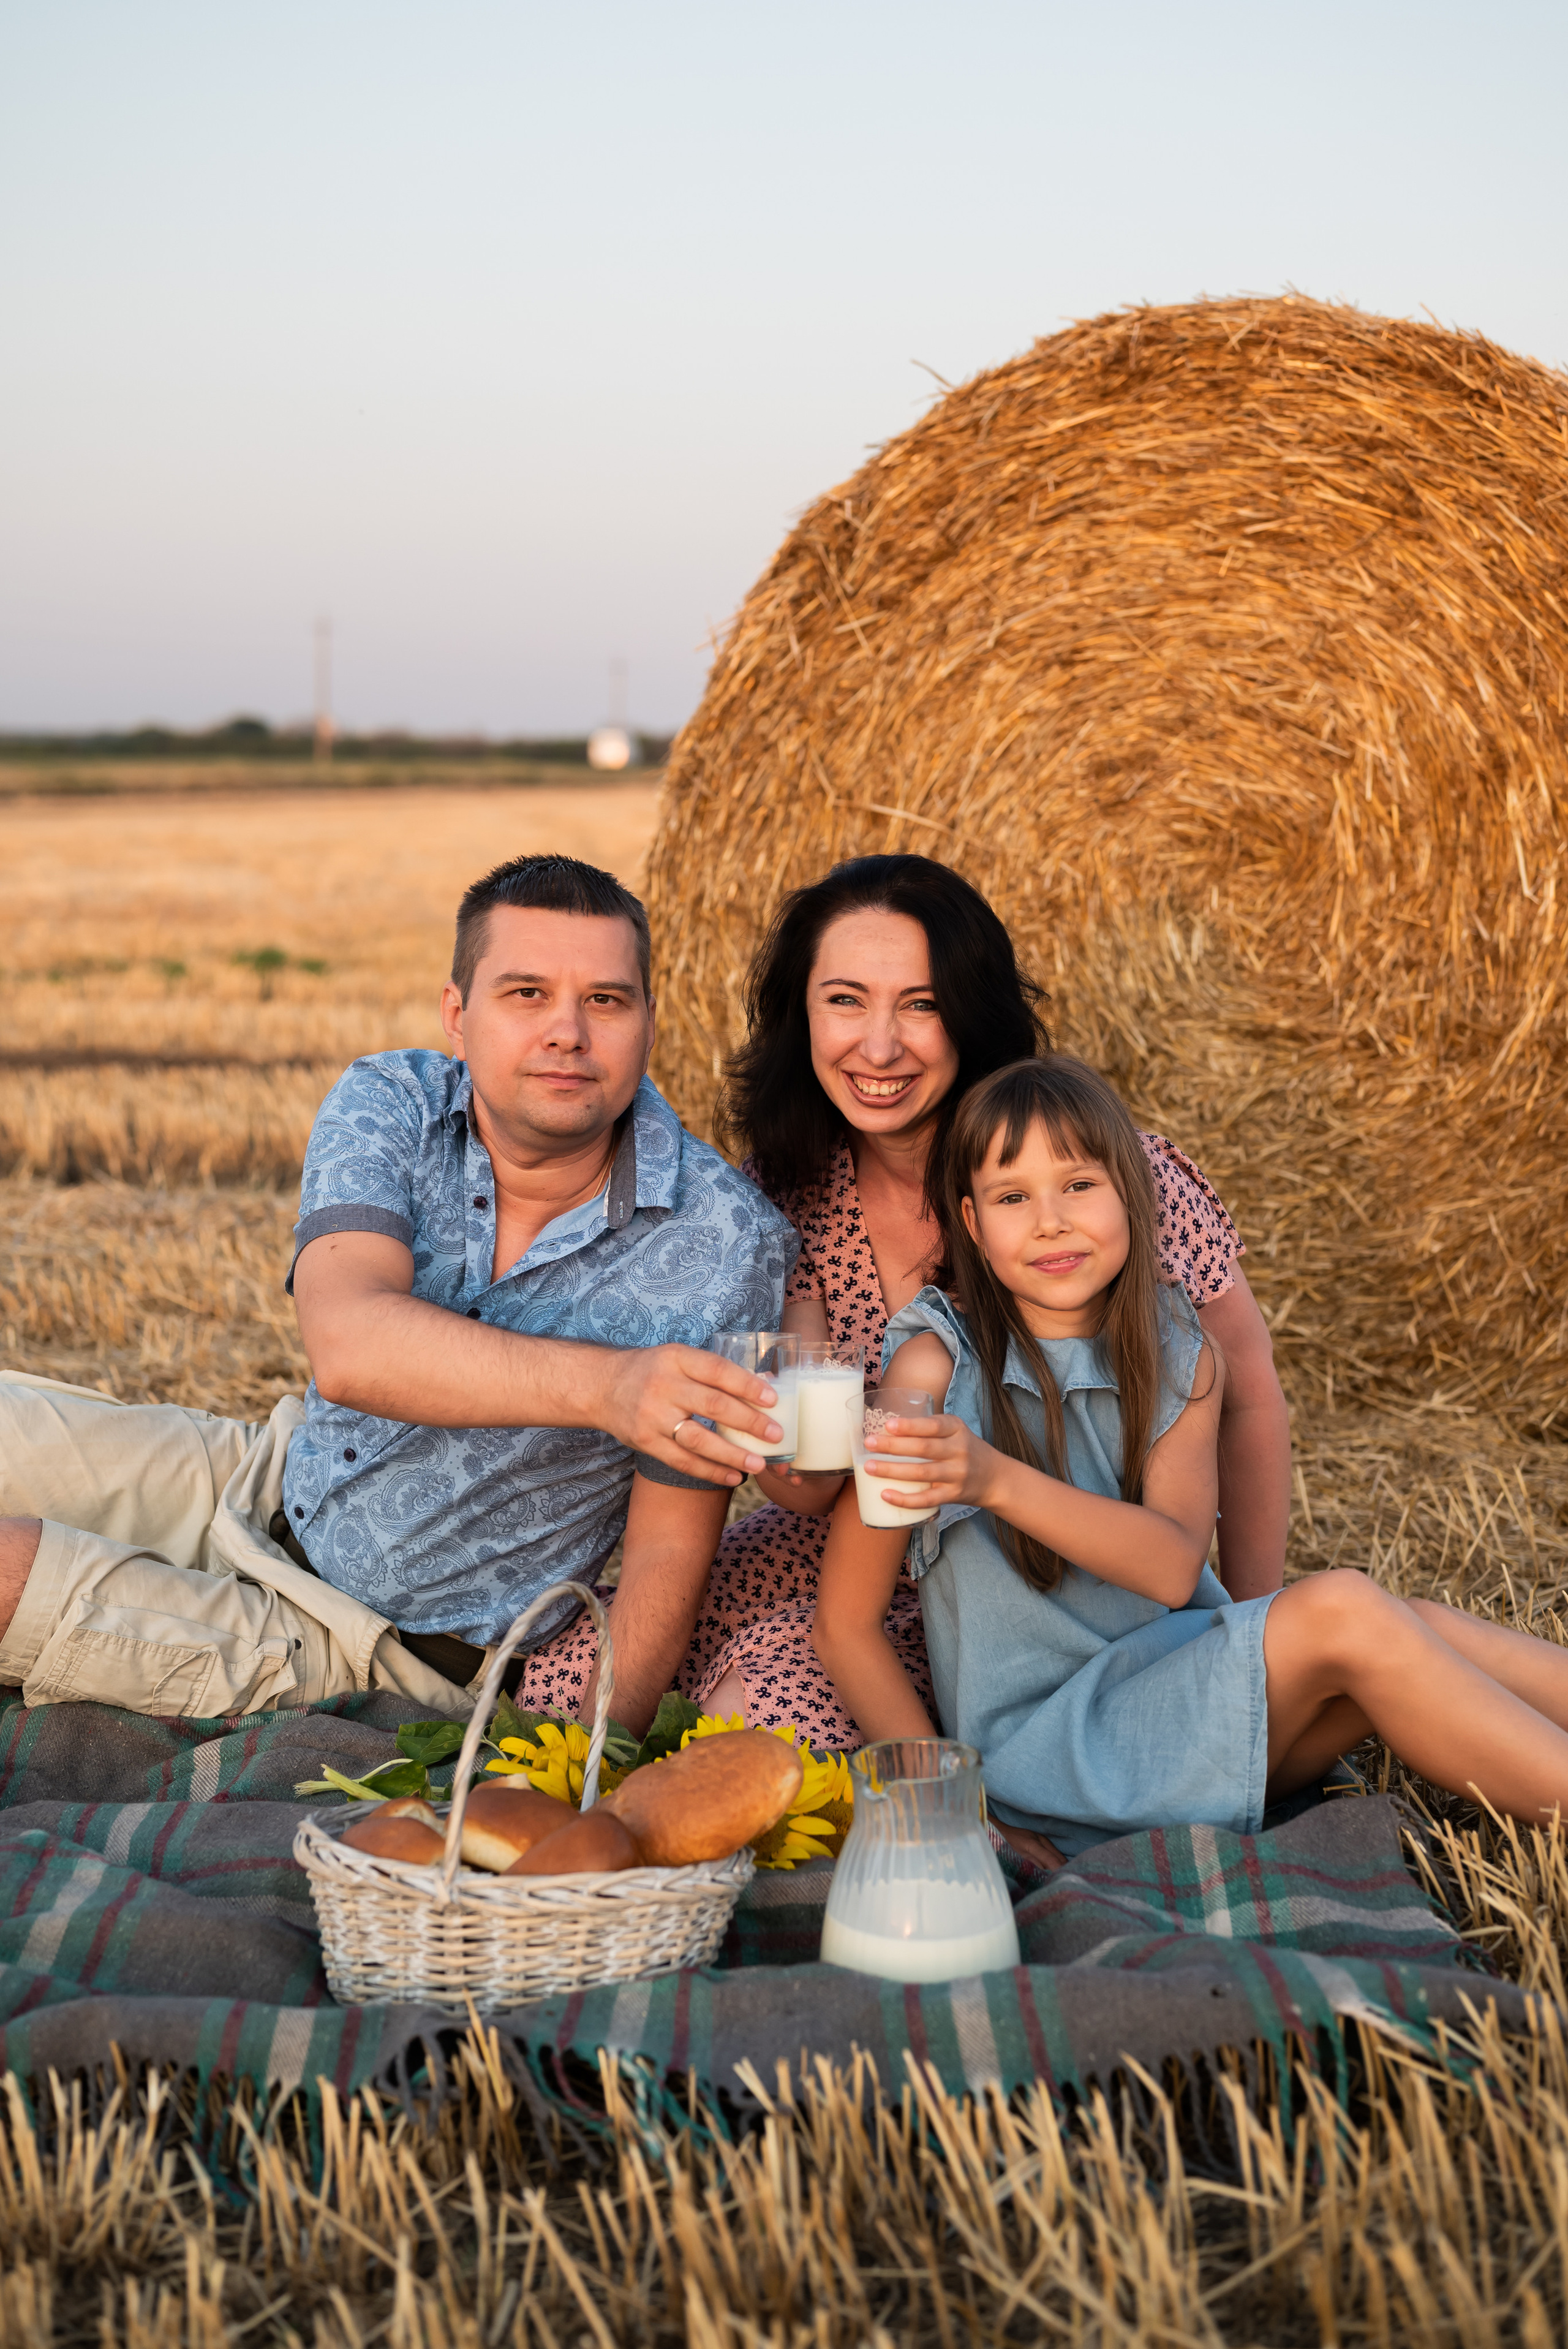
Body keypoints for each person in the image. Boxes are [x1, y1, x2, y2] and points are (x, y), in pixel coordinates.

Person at [0, 855, 794, 1734]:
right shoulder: (392, 1100)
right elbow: (348, 1346)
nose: (568, 1031)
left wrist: (585, 1770)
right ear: (457, 1015)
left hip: (379, 1645)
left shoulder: (726, 1238)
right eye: (526, 993)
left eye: (605, 1000)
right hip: (259, 1476)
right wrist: (615, 1388)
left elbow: (666, 1552)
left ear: (649, 1021)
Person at [529, 854, 1290, 1747]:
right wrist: (784, 1450)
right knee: (564, 1684)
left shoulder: (1106, 1183)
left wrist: (1248, 1634)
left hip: (1037, 1577)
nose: (879, 1047)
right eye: (845, 1000)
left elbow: (1247, 1394)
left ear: (971, 1015)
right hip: (845, 1561)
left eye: (921, 1005)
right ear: (800, 1015)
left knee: (759, 1716)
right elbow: (810, 1485)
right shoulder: (782, 1197)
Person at [812, 1055, 1568, 1863]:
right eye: (1011, 1197)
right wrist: (960, 1809)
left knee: (1412, 1625)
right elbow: (845, 1625)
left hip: (1177, 1699)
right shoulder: (930, 1369)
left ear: (1133, 1192)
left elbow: (1172, 1565)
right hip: (1057, 1755)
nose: (1050, 1221)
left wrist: (994, 1479)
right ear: (970, 1222)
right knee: (1347, 1607)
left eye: (1078, 1185)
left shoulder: (1177, 1353)